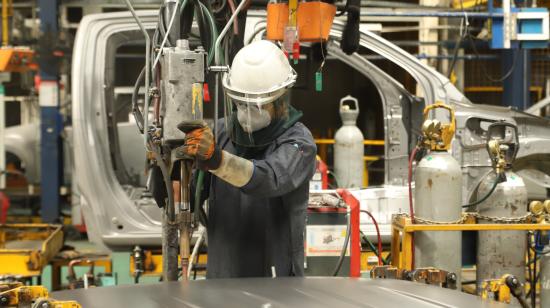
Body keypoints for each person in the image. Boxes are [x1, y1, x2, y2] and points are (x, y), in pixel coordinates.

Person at [180, 40, 317, 278]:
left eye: (256, 104)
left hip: (276, 279)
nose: (246, 112)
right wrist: (170, 168)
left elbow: (270, 178)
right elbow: (190, 195)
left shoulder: (299, 143)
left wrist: (217, 161)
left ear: (279, 99)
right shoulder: (220, 134)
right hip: (223, 279)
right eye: (240, 103)